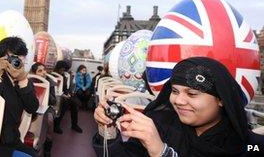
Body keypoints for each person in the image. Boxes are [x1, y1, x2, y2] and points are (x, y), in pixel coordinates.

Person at [94, 57, 264, 156]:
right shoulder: (158, 124)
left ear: (221, 99)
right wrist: (107, 130)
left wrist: (162, 153)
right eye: (175, 91)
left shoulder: (252, 146)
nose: (179, 101)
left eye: (192, 94)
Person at [0, 37, 39, 157]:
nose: (17, 61)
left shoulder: (26, 82)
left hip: (11, 140)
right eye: (13, 57)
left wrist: (22, 80)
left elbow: (32, 108)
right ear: (2, 59)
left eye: (21, 57)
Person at [30, 62, 56, 157]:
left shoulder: (49, 82)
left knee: (49, 120)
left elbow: (53, 101)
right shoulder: (29, 82)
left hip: (47, 108)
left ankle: (48, 147)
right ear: (34, 73)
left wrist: (47, 88)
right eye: (40, 71)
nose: (43, 73)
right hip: (32, 106)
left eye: (44, 70)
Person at [53, 60, 83, 133]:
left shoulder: (63, 76)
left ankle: (74, 124)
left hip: (63, 94)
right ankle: (56, 125)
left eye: (64, 70)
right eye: (62, 69)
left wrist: (67, 94)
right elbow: (53, 89)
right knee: (64, 103)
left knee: (74, 104)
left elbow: (65, 88)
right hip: (55, 95)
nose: (63, 71)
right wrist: (63, 95)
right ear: (58, 68)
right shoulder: (53, 76)